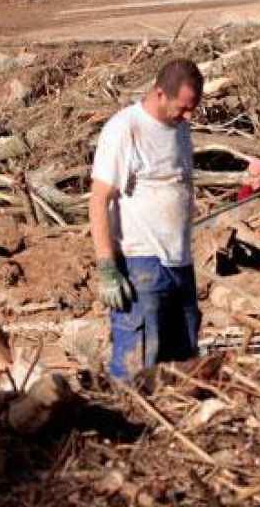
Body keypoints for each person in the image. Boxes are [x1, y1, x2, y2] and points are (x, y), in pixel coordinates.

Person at [89, 59, 204, 381]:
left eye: (192, 108)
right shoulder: (126, 128)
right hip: (142, 262)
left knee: (183, 364)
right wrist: (107, 268)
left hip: (179, 260)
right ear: (159, 94)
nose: (188, 116)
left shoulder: (180, 127)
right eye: (182, 107)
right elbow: (99, 198)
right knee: (138, 362)